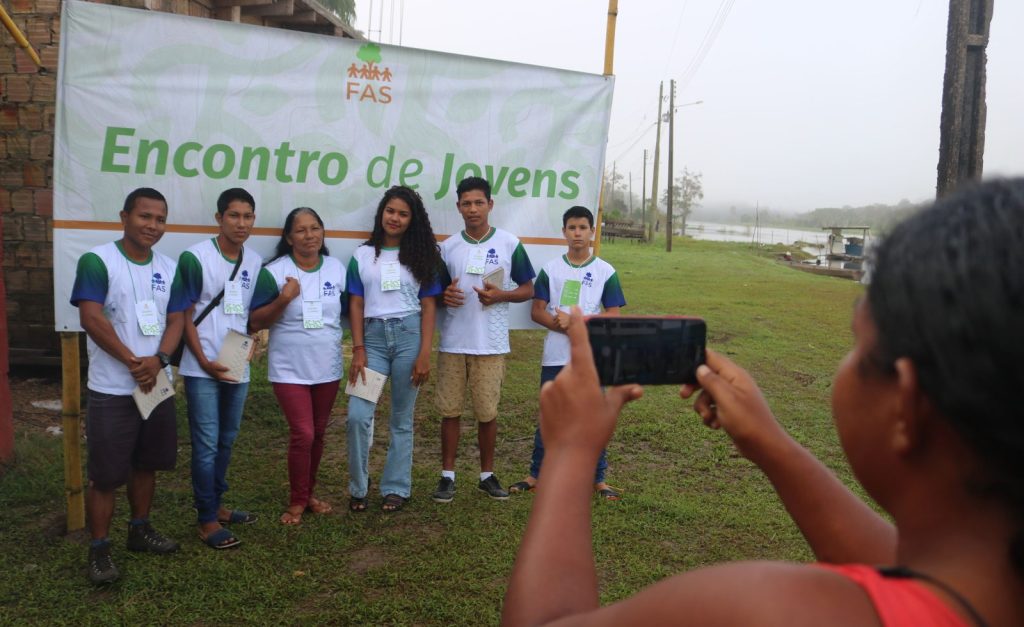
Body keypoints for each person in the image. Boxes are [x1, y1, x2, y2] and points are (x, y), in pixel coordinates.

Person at [503, 178, 1024, 626]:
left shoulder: (768, 610)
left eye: (857, 344)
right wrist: (770, 444)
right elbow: (904, 570)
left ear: (907, 406)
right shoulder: (985, 583)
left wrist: (570, 455)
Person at [70, 187, 187, 584]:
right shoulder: (97, 261)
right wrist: (132, 361)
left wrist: (159, 361)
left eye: (160, 219)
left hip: (156, 383)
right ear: (124, 216)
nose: (152, 226)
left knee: (147, 462)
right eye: (145, 217)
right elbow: (91, 317)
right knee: (104, 475)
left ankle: (140, 529)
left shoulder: (170, 268)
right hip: (111, 388)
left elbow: (176, 320)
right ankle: (99, 548)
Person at [176, 188, 277, 549]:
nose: (241, 223)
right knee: (205, 444)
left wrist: (253, 340)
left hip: (236, 361)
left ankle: (217, 505)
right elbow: (183, 314)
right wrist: (202, 359)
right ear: (219, 218)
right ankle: (205, 519)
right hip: (201, 364)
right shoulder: (195, 258)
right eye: (234, 216)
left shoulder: (253, 262)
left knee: (226, 440)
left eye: (248, 216)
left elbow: (257, 313)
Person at [508, 206, 625, 499]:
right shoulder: (551, 269)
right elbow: (537, 311)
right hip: (556, 356)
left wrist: (579, 325)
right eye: (572, 228)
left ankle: (597, 479)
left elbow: (612, 315)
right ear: (563, 232)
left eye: (583, 228)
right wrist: (567, 328)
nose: (577, 233)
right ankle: (536, 473)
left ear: (592, 232)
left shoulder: (605, 271)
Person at [433, 176, 535, 503]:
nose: (473, 209)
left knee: (487, 412)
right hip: (452, 342)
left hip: (490, 344)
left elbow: (529, 288)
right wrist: (443, 296)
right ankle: (447, 476)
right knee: (450, 411)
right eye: (466, 203)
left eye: (479, 202)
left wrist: (501, 295)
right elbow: (433, 293)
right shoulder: (447, 248)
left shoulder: (508, 243)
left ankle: (486, 474)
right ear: (458, 207)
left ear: (490, 205)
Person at [346, 186, 442, 513]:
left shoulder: (422, 256)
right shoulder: (362, 255)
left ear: (412, 219)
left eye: (403, 213)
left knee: (401, 418)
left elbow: (429, 306)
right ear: (381, 213)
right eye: (390, 211)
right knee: (358, 416)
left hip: (408, 336)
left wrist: (424, 353)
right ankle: (359, 487)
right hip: (371, 339)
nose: (395, 218)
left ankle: (396, 487)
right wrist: (358, 348)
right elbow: (356, 303)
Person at [249, 207, 346, 525]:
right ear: (289, 238)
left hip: (327, 366)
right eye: (301, 230)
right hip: (289, 367)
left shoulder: (335, 268)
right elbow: (255, 321)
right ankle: (296, 500)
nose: (310, 235)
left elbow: (347, 311)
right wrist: (284, 299)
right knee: (302, 434)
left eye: (315, 227)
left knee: (318, 433)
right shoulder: (275, 272)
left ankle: (309, 495)